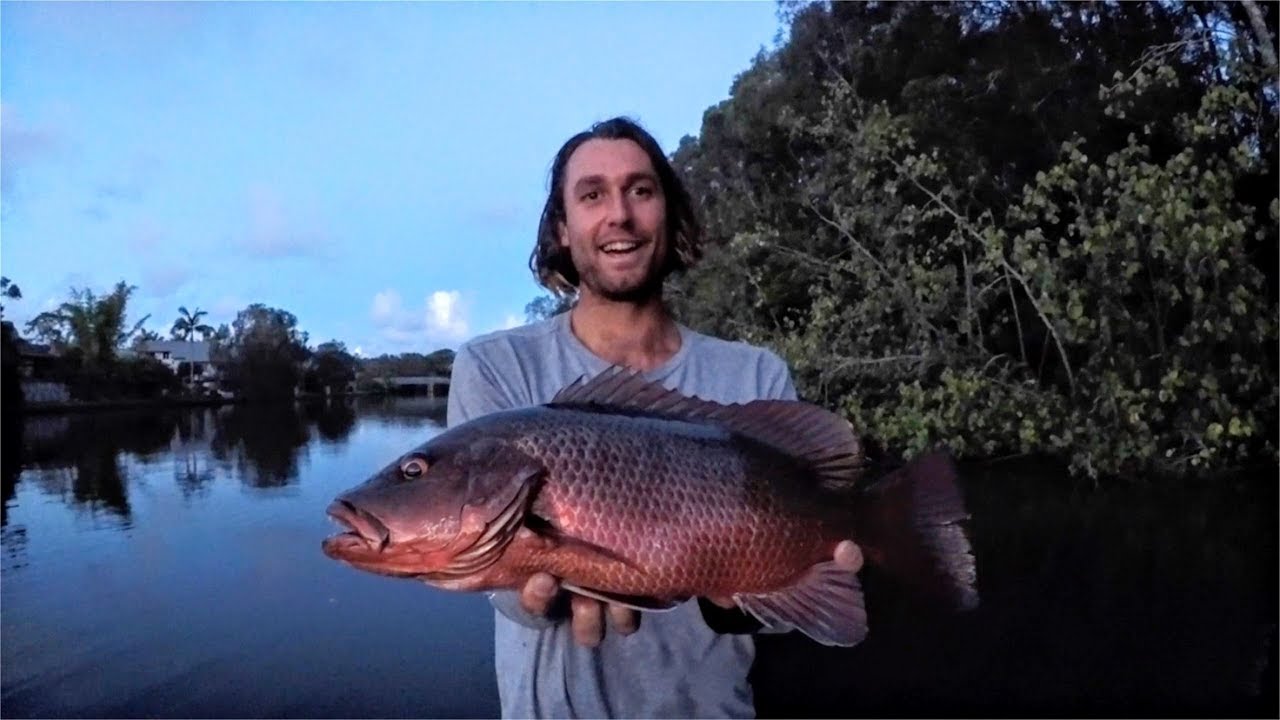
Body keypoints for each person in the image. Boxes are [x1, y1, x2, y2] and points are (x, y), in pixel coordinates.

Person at [446, 116, 863, 719]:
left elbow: (769, 616)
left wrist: (753, 595)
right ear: (562, 229)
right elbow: (503, 587)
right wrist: (547, 588)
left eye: (641, 191)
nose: (619, 214)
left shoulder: (754, 377)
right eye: (592, 195)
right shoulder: (495, 368)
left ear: (669, 217)